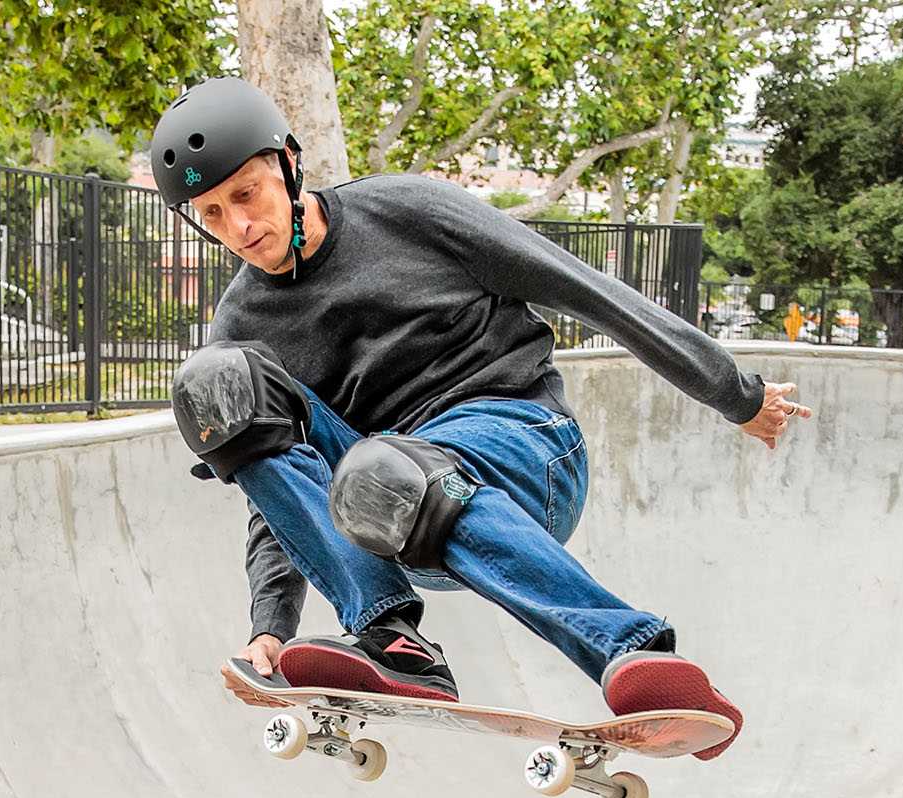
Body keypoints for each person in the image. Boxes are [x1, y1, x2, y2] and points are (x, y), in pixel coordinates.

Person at [152, 79, 812, 760]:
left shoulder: (407, 212)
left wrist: (736, 394)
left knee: (386, 466)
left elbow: (589, 291)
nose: (239, 228)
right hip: (389, 505)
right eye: (212, 214)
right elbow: (277, 486)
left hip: (526, 448)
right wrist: (271, 623)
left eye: (246, 194)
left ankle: (633, 652)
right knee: (217, 383)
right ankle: (395, 643)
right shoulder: (244, 323)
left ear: (289, 163)